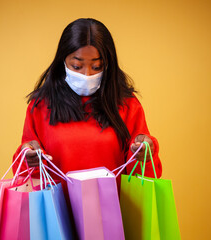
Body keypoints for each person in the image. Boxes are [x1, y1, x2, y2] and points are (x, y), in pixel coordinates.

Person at [12, 18, 162, 183]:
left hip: (111, 207)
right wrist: (28, 157)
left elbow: (143, 176)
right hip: (57, 208)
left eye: (96, 67)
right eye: (77, 66)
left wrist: (145, 154)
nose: (87, 74)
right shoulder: (41, 106)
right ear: (62, 61)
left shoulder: (127, 104)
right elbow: (28, 177)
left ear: (108, 65)